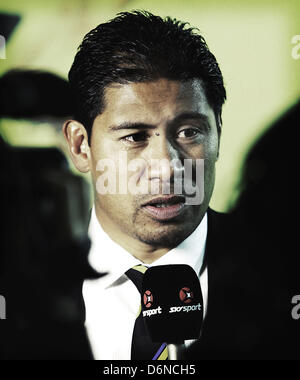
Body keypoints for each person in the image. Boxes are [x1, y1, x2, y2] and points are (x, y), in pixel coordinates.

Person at [63, 10, 297, 360]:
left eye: (189, 132)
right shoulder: (24, 283)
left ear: (218, 131)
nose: (167, 167)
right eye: (135, 136)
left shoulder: (283, 272)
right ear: (82, 146)